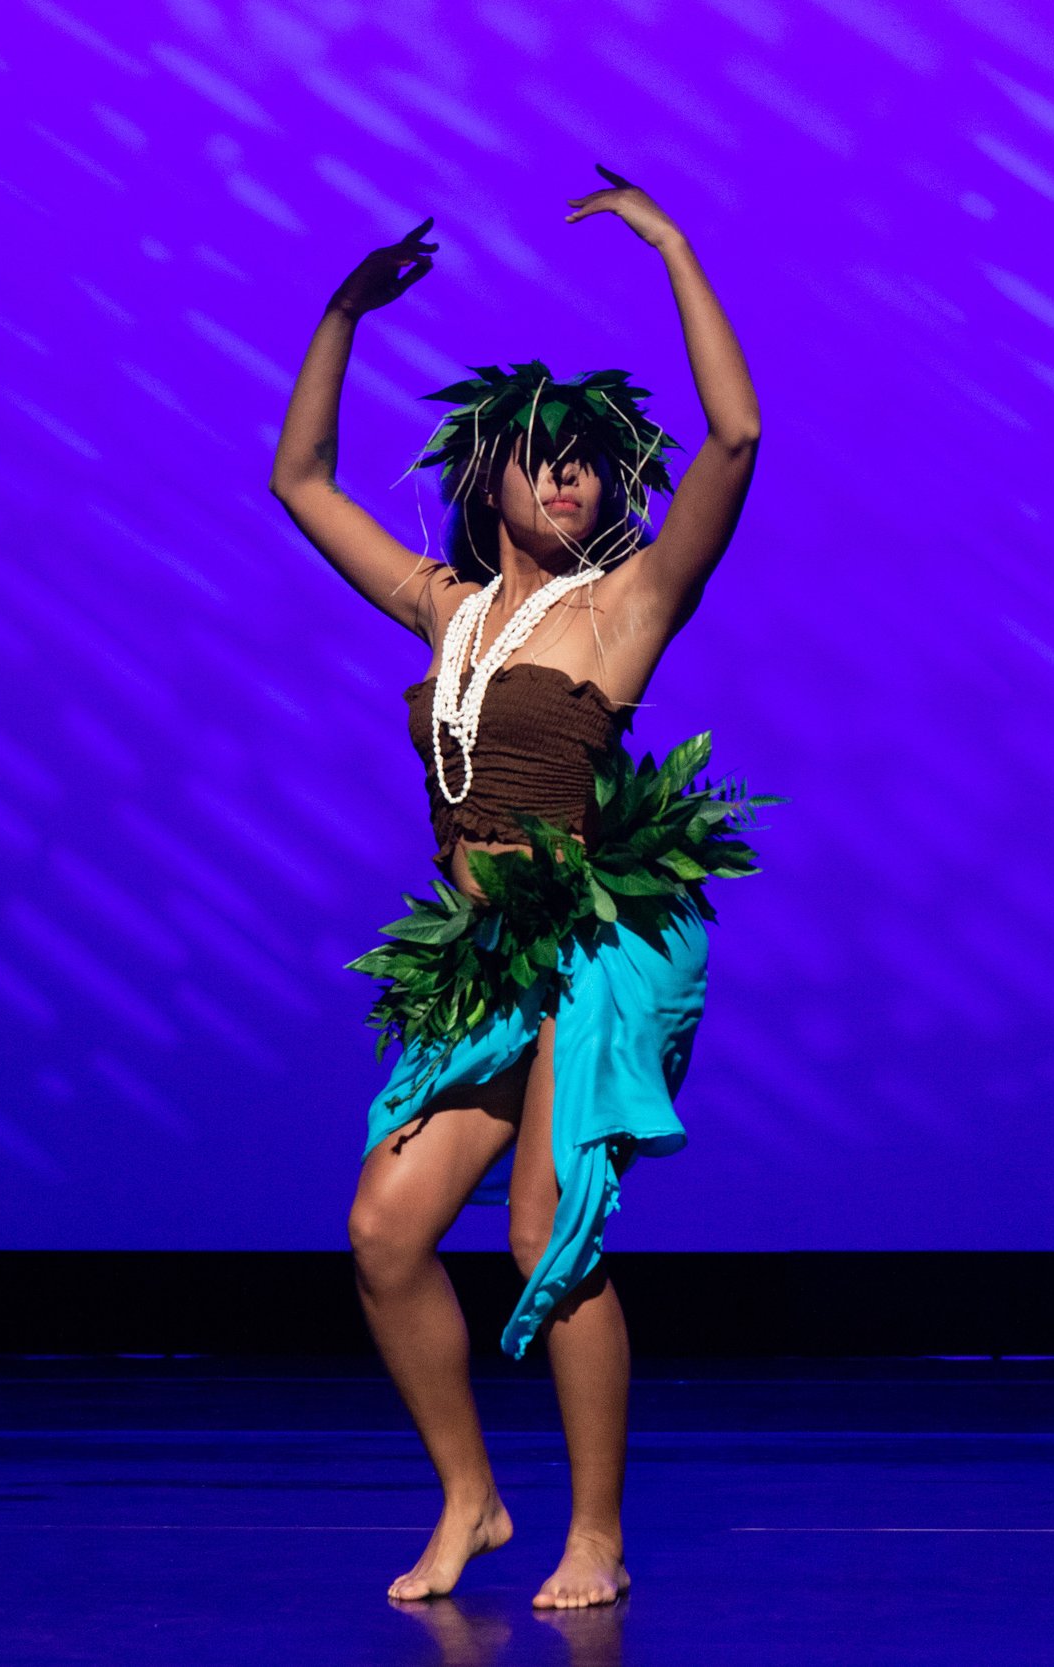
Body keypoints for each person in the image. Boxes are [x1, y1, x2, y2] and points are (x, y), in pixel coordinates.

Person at [269, 165, 761, 1610]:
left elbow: (733, 437)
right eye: (542, 457)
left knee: (546, 1233)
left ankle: (595, 1531)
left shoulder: (624, 608)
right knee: (385, 1232)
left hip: (598, 945)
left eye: (591, 460)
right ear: (487, 474)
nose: (571, 477)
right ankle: (472, 1500)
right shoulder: (444, 605)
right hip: (486, 959)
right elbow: (299, 482)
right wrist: (342, 317)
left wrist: (673, 245)